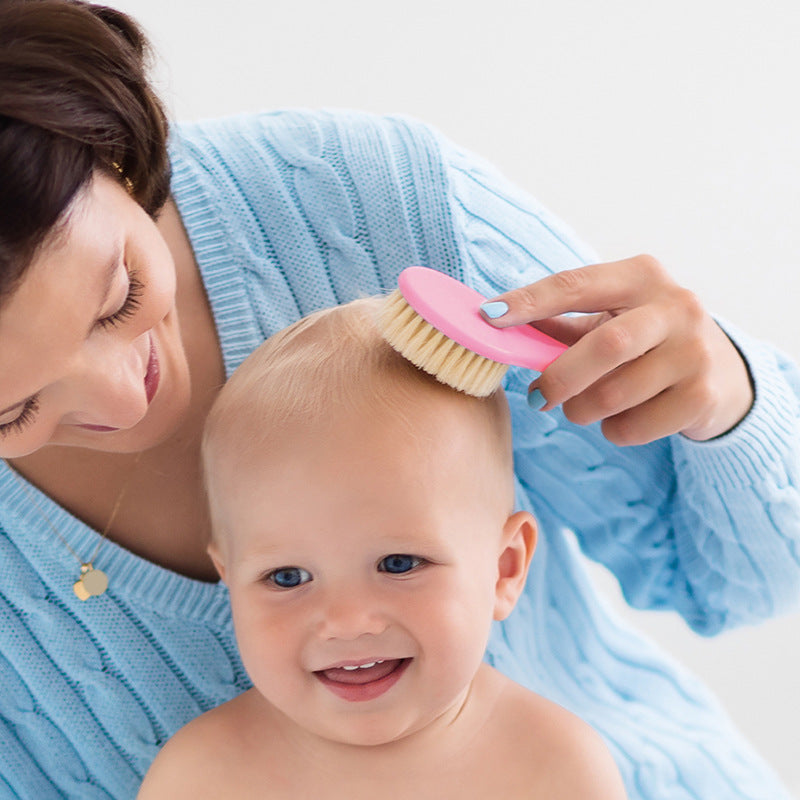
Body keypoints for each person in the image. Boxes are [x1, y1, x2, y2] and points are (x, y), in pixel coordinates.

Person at [0, 1, 797, 798]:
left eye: (118, 296)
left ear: (112, 152)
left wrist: (726, 402)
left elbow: (742, 579)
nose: (121, 398)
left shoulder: (367, 200)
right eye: (13, 409)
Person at [136, 297, 629, 799]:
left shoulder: (556, 768)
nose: (348, 621)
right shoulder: (200, 778)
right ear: (230, 578)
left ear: (504, 569)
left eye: (398, 564)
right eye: (287, 577)